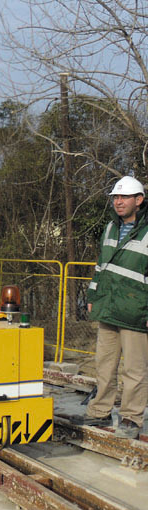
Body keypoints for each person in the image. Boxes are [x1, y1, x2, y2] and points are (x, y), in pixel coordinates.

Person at [84, 176, 148, 439]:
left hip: (136, 312)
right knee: (105, 364)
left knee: (134, 370)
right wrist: (92, 295)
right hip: (108, 307)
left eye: (124, 197)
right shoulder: (111, 228)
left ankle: (132, 417)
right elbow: (101, 266)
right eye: (115, 197)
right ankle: (99, 412)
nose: (118, 202)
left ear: (139, 200)